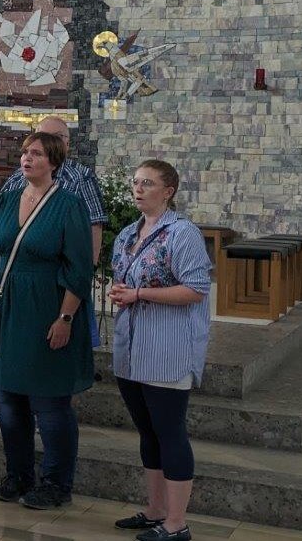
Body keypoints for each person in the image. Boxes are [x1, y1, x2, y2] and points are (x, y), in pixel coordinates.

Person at [0, 132, 94, 511]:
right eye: (25, 152)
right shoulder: (9, 200)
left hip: (46, 311)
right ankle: (19, 474)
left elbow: (79, 269)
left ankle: (57, 482)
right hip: (7, 311)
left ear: (54, 161)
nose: (27, 158)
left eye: (37, 153)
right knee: (8, 401)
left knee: (50, 403)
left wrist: (65, 317)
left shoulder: (68, 205)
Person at [109, 160, 211, 541]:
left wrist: (139, 294)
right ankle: (155, 510)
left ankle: (176, 523)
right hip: (131, 348)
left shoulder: (182, 234)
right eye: (135, 182)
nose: (138, 188)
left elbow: (196, 289)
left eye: (147, 183)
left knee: (169, 433)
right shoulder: (127, 233)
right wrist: (121, 292)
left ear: (167, 191)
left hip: (166, 348)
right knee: (147, 433)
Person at [0, 116, 107, 266]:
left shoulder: (81, 177)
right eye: (42, 136)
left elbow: (94, 223)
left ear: (67, 144)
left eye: (56, 137)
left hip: (58, 269)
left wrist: (87, 270)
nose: (47, 142)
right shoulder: (17, 178)